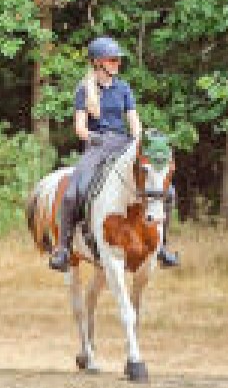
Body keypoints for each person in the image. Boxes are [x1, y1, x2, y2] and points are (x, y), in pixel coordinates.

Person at [47, 36, 179, 270]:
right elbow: (79, 128)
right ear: (98, 63)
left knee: (167, 189)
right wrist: (93, 137)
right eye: (113, 59)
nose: (118, 63)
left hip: (123, 145)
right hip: (97, 147)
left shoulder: (123, 88)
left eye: (118, 60)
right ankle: (64, 249)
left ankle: (163, 247)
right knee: (70, 194)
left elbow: (134, 122)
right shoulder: (83, 89)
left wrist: (140, 141)